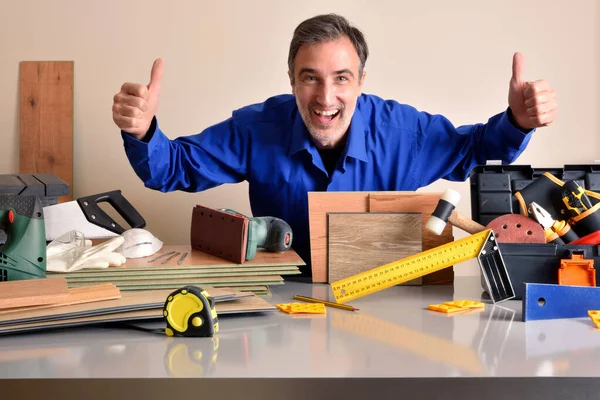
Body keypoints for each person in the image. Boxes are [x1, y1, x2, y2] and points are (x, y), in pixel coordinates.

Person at [112, 13, 557, 277]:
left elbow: (475, 148)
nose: (326, 98)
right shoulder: (257, 127)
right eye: (310, 78)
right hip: (284, 302)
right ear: (291, 80)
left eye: (341, 78)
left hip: (387, 299)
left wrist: (518, 120)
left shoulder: (406, 134)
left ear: (362, 81)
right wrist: (143, 129)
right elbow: (172, 169)